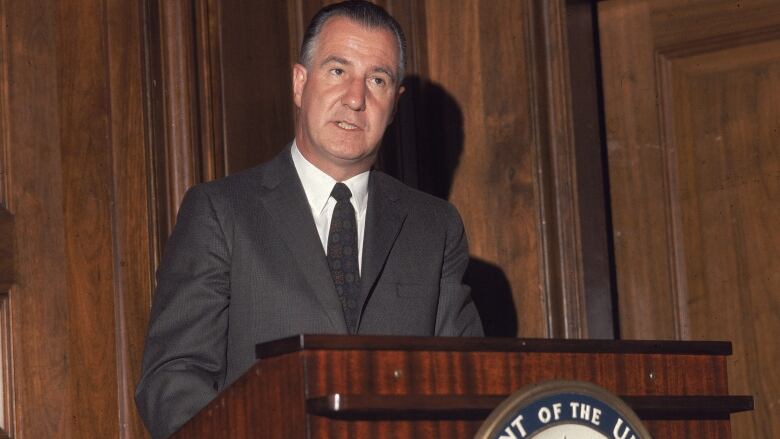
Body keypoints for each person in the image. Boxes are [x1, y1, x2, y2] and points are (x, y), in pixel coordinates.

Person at [135, 1, 483, 437]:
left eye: (377, 79)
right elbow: (172, 381)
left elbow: (469, 384)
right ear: (300, 84)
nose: (356, 98)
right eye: (338, 71)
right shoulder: (221, 212)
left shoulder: (435, 227)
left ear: (394, 104)